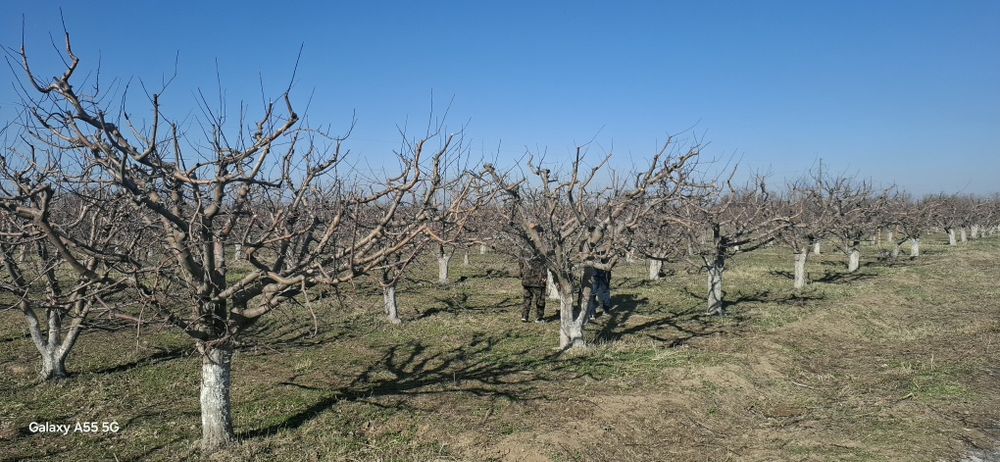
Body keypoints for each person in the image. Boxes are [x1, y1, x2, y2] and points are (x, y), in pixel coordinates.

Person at [519, 249, 548, 323]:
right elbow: (544, 263)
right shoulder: (541, 248)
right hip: (538, 280)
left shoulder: (523, 248)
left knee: (527, 299)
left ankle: (524, 316)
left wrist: (522, 274)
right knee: (540, 299)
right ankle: (539, 317)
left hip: (527, 279)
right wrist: (544, 275)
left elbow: (520, 263)